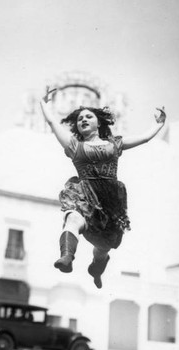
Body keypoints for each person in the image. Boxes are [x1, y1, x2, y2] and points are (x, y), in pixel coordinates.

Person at [40, 88, 166, 288]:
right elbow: (53, 123)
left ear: (98, 122)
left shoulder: (114, 144)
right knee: (72, 218)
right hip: (84, 194)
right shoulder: (73, 145)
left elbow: (144, 138)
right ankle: (66, 257)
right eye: (80, 118)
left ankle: (97, 268)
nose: (83, 120)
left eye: (88, 116)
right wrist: (44, 104)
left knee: (103, 247)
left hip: (109, 200)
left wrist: (158, 124)